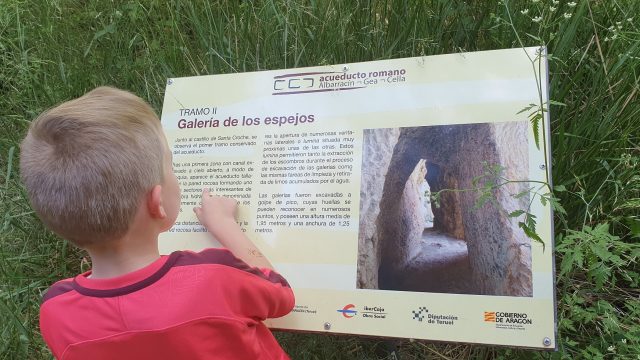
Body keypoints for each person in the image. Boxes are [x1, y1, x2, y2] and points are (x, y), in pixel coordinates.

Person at [20, 86, 295, 360]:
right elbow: (281, 296)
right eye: (171, 166)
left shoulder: (56, 312)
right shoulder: (215, 277)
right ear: (157, 202)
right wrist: (224, 224)